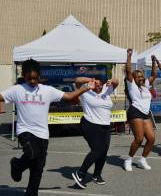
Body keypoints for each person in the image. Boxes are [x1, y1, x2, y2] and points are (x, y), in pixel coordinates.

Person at [0, 59, 95, 196]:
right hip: (25, 131)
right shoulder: (17, 89)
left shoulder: (47, 90)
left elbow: (68, 96)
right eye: (29, 78)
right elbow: (1, 96)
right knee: (31, 154)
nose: (32, 81)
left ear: (39, 76)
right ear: (24, 76)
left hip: (43, 134)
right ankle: (17, 165)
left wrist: (85, 88)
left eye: (35, 78)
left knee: (37, 169)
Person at [71, 76, 119, 189]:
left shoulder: (106, 90)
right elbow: (77, 80)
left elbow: (117, 82)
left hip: (105, 126)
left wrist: (112, 81)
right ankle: (80, 173)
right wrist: (90, 80)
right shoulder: (85, 91)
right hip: (90, 124)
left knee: (104, 151)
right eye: (95, 83)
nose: (98, 85)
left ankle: (97, 175)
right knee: (98, 149)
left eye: (99, 83)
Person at [123, 49, 157, 171]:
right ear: (133, 78)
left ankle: (143, 159)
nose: (141, 78)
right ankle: (128, 160)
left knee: (151, 139)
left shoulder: (146, 85)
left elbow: (153, 75)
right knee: (139, 138)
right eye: (138, 77)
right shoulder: (131, 85)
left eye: (142, 76)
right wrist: (129, 56)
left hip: (145, 113)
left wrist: (153, 62)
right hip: (135, 112)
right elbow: (128, 70)